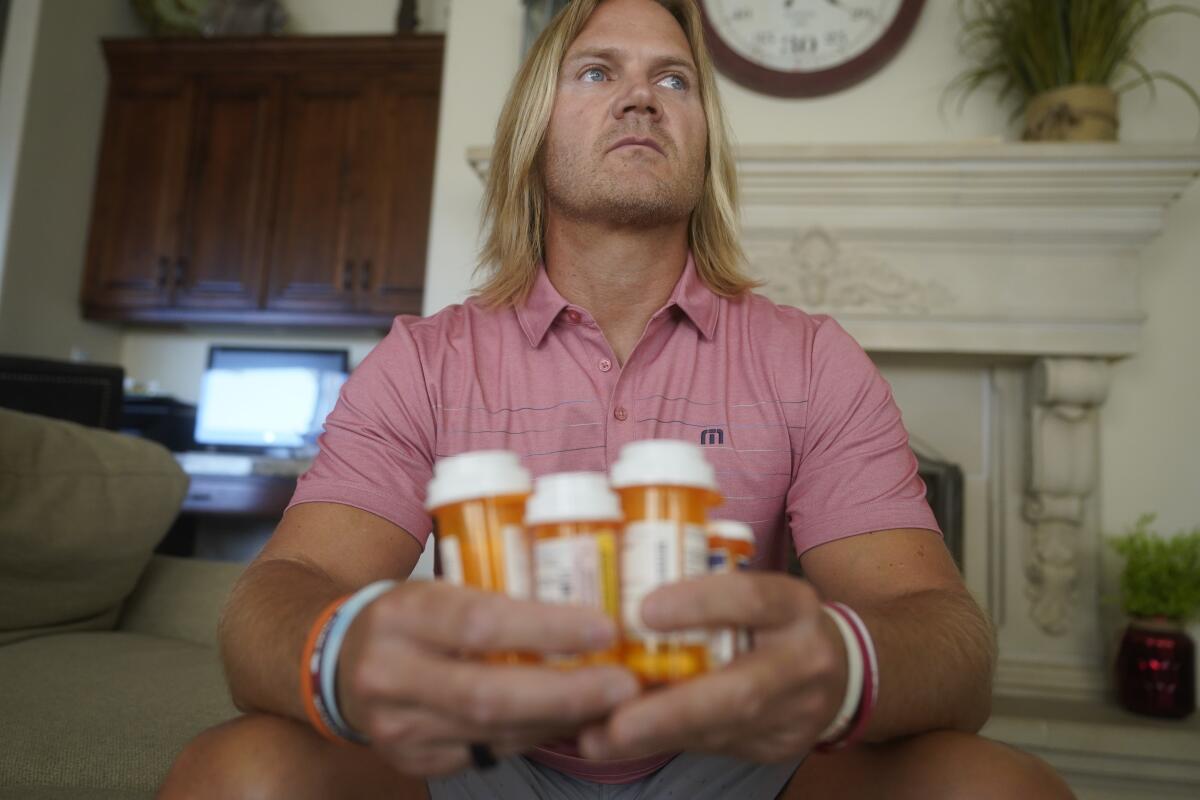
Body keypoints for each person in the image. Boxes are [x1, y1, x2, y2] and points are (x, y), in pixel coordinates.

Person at [160, 1, 1075, 797]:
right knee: (236, 774)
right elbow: (275, 599)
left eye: (675, 81)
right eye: (597, 71)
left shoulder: (812, 361)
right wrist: (351, 651)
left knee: (999, 787)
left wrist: (833, 662)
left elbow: (949, 641)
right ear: (534, 128)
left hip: (743, 759)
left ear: (704, 138)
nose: (641, 96)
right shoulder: (422, 364)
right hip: (473, 757)